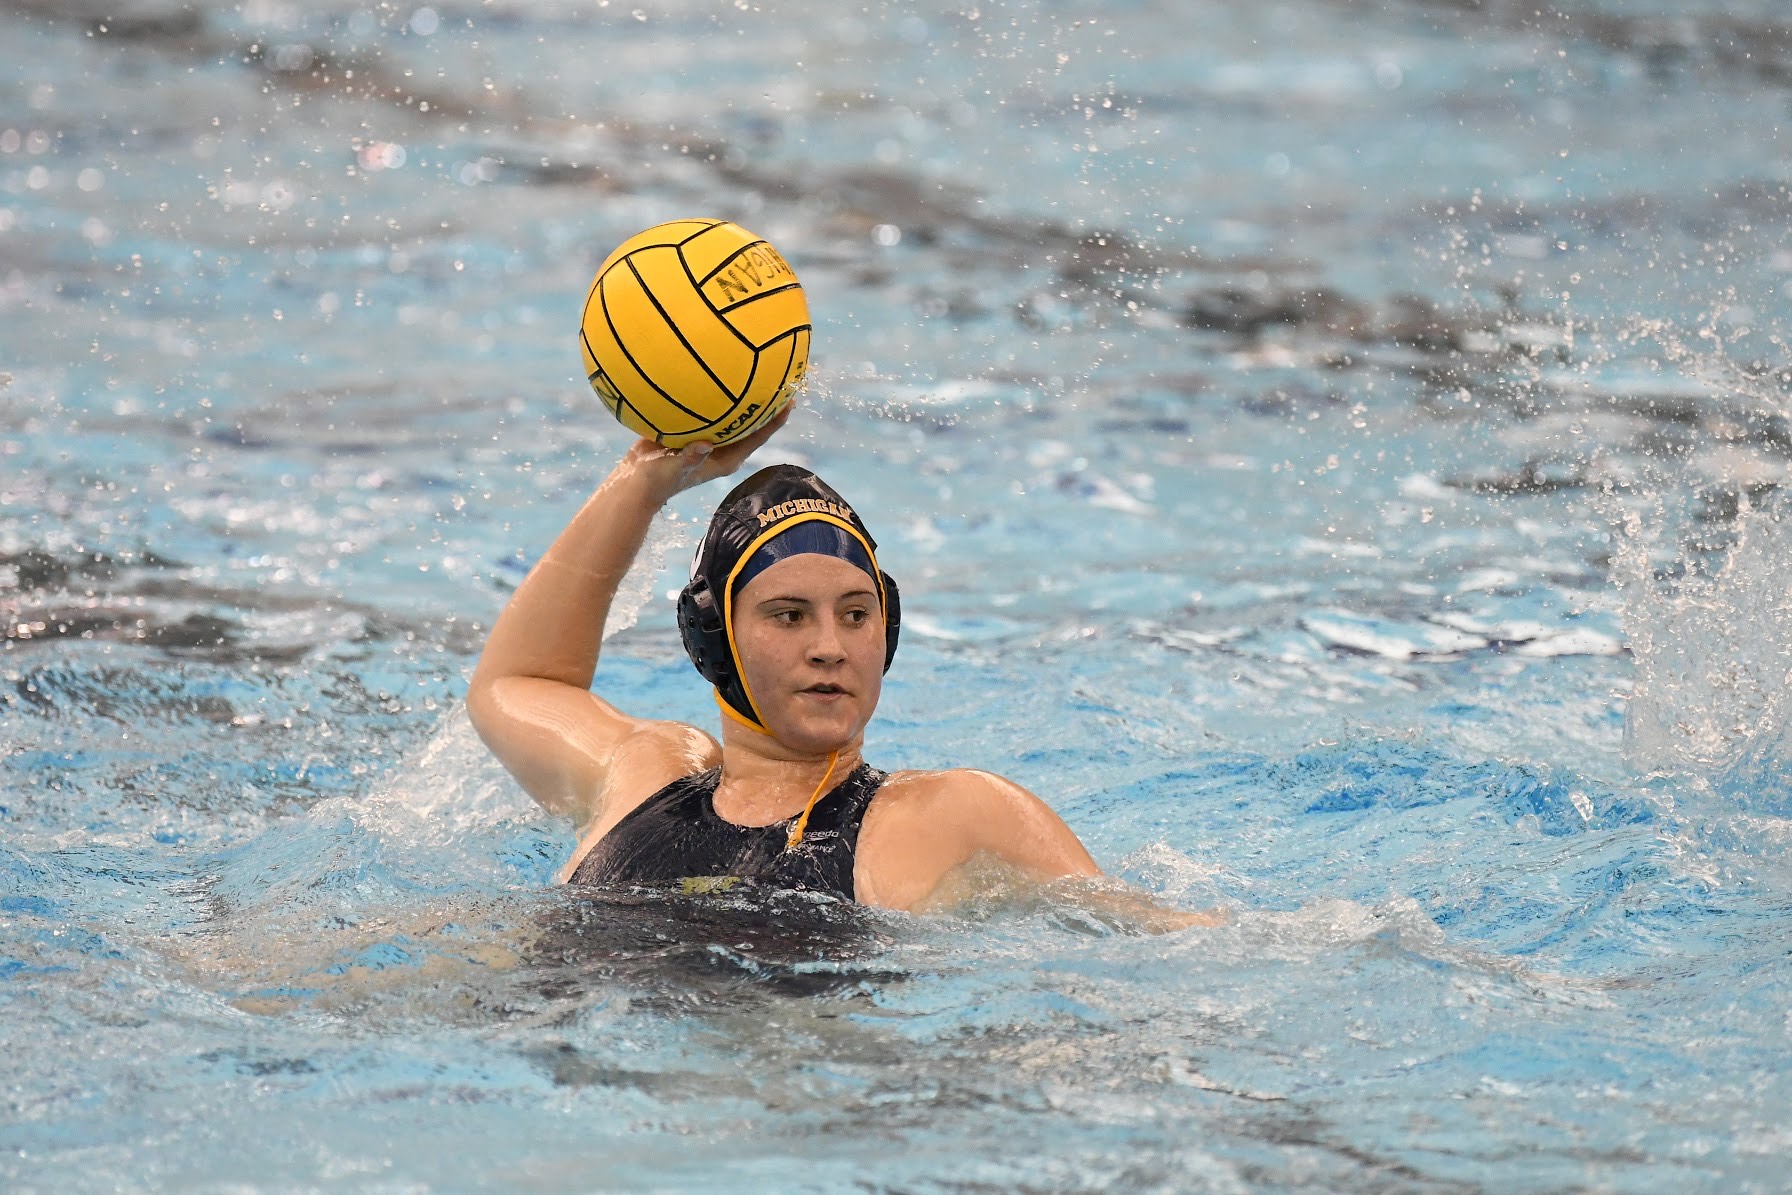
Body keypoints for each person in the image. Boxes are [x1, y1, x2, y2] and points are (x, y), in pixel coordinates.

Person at [467, 407, 1220, 927]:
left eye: (856, 614)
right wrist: (642, 481)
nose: (830, 645)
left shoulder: (949, 814)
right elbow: (515, 684)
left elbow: (1168, 936)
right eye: (788, 615)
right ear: (712, 639)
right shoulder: (645, 776)